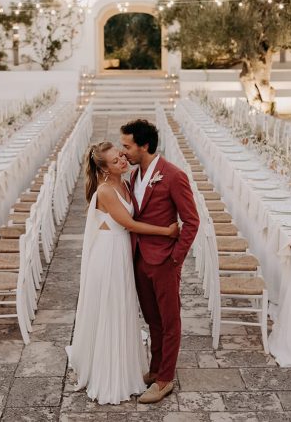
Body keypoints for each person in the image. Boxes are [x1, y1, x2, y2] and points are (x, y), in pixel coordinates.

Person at [66, 141, 180, 405]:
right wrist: (167, 231)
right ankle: (109, 373)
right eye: (116, 160)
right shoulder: (105, 190)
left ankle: (126, 365)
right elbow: (129, 223)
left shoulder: (126, 183)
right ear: (105, 170)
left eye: (120, 155)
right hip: (108, 256)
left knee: (122, 308)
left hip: (121, 253)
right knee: (111, 308)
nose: (122, 160)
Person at [120, 119, 199, 404]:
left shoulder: (174, 176)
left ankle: (166, 379)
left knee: (170, 322)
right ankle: (155, 369)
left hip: (164, 261)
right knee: (152, 319)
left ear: (144, 145)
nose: (123, 151)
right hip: (139, 258)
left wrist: (175, 259)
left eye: (127, 146)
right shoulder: (132, 176)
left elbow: (191, 221)